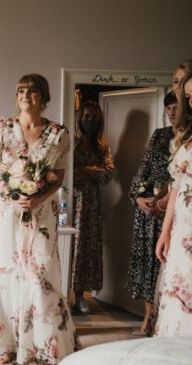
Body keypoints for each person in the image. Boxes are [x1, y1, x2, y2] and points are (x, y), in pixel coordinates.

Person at [0, 74, 77, 364]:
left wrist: (36, 198)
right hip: (5, 214)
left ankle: (41, 345)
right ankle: (5, 345)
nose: (26, 95)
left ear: (43, 97)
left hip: (40, 213)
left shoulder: (59, 134)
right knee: (4, 273)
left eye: (32, 91)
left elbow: (58, 178)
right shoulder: (2, 128)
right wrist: (8, 193)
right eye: (21, 90)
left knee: (38, 275)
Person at [125, 91, 177, 336]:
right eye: (169, 108)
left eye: (177, 107)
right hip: (149, 210)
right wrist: (137, 197)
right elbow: (143, 168)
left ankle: (163, 323)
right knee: (148, 265)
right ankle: (147, 320)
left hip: (175, 209)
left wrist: (165, 201)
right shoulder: (159, 135)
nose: (173, 112)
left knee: (165, 265)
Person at [154, 73, 192, 336]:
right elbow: (178, 186)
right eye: (188, 97)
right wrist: (166, 231)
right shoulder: (188, 136)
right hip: (183, 228)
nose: (191, 101)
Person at [71, 101, 115, 314]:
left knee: (87, 251)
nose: (90, 121)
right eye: (87, 116)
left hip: (93, 203)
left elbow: (108, 174)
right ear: (80, 118)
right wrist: (91, 172)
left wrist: (85, 169)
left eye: (94, 117)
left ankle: (80, 296)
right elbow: (70, 173)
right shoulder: (72, 142)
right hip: (72, 202)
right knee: (70, 248)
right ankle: (65, 296)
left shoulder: (102, 145)